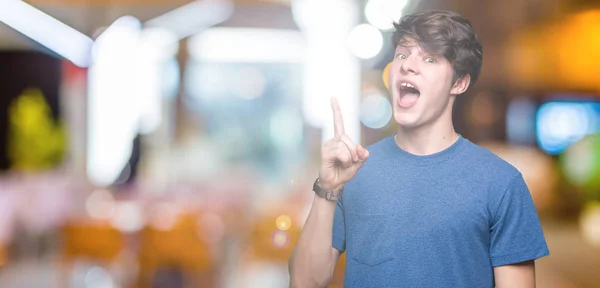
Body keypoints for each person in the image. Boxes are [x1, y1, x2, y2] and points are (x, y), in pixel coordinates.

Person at [288, 10, 549, 288]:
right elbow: (305, 282)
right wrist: (327, 189)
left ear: (459, 82)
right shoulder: (354, 172)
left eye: (429, 58)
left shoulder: (501, 183)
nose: (407, 66)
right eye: (402, 54)